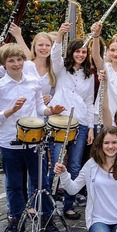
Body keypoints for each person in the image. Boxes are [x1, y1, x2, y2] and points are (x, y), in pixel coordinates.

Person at [0, 43, 65, 232]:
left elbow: (39, 109)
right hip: (9, 141)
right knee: (13, 184)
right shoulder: (1, 86)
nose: (16, 63)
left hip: (34, 142)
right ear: (4, 64)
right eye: (11, 60)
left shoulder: (33, 82)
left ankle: (46, 219)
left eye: (19, 59)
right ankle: (16, 221)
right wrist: (11, 111)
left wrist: (51, 110)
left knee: (41, 183)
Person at [49, 22, 96, 220]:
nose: (80, 55)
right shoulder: (61, 69)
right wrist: (60, 34)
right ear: (72, 53)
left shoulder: (89, 74)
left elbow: (89, 102)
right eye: (77, 51)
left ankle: (69, 205)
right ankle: (49, 206)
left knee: (75, 166)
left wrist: (91, 128)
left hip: (82, 123)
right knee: (58, 163)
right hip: (60, 122)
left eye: (84, 52)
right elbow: (54, 54)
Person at [53, 126, 117, 231]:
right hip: (98, 220)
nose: (110, 146)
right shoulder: (91, 165)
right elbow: (72, 189)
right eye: (106, 143)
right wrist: (64, 173)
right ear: (100, 145)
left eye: (114, 142)